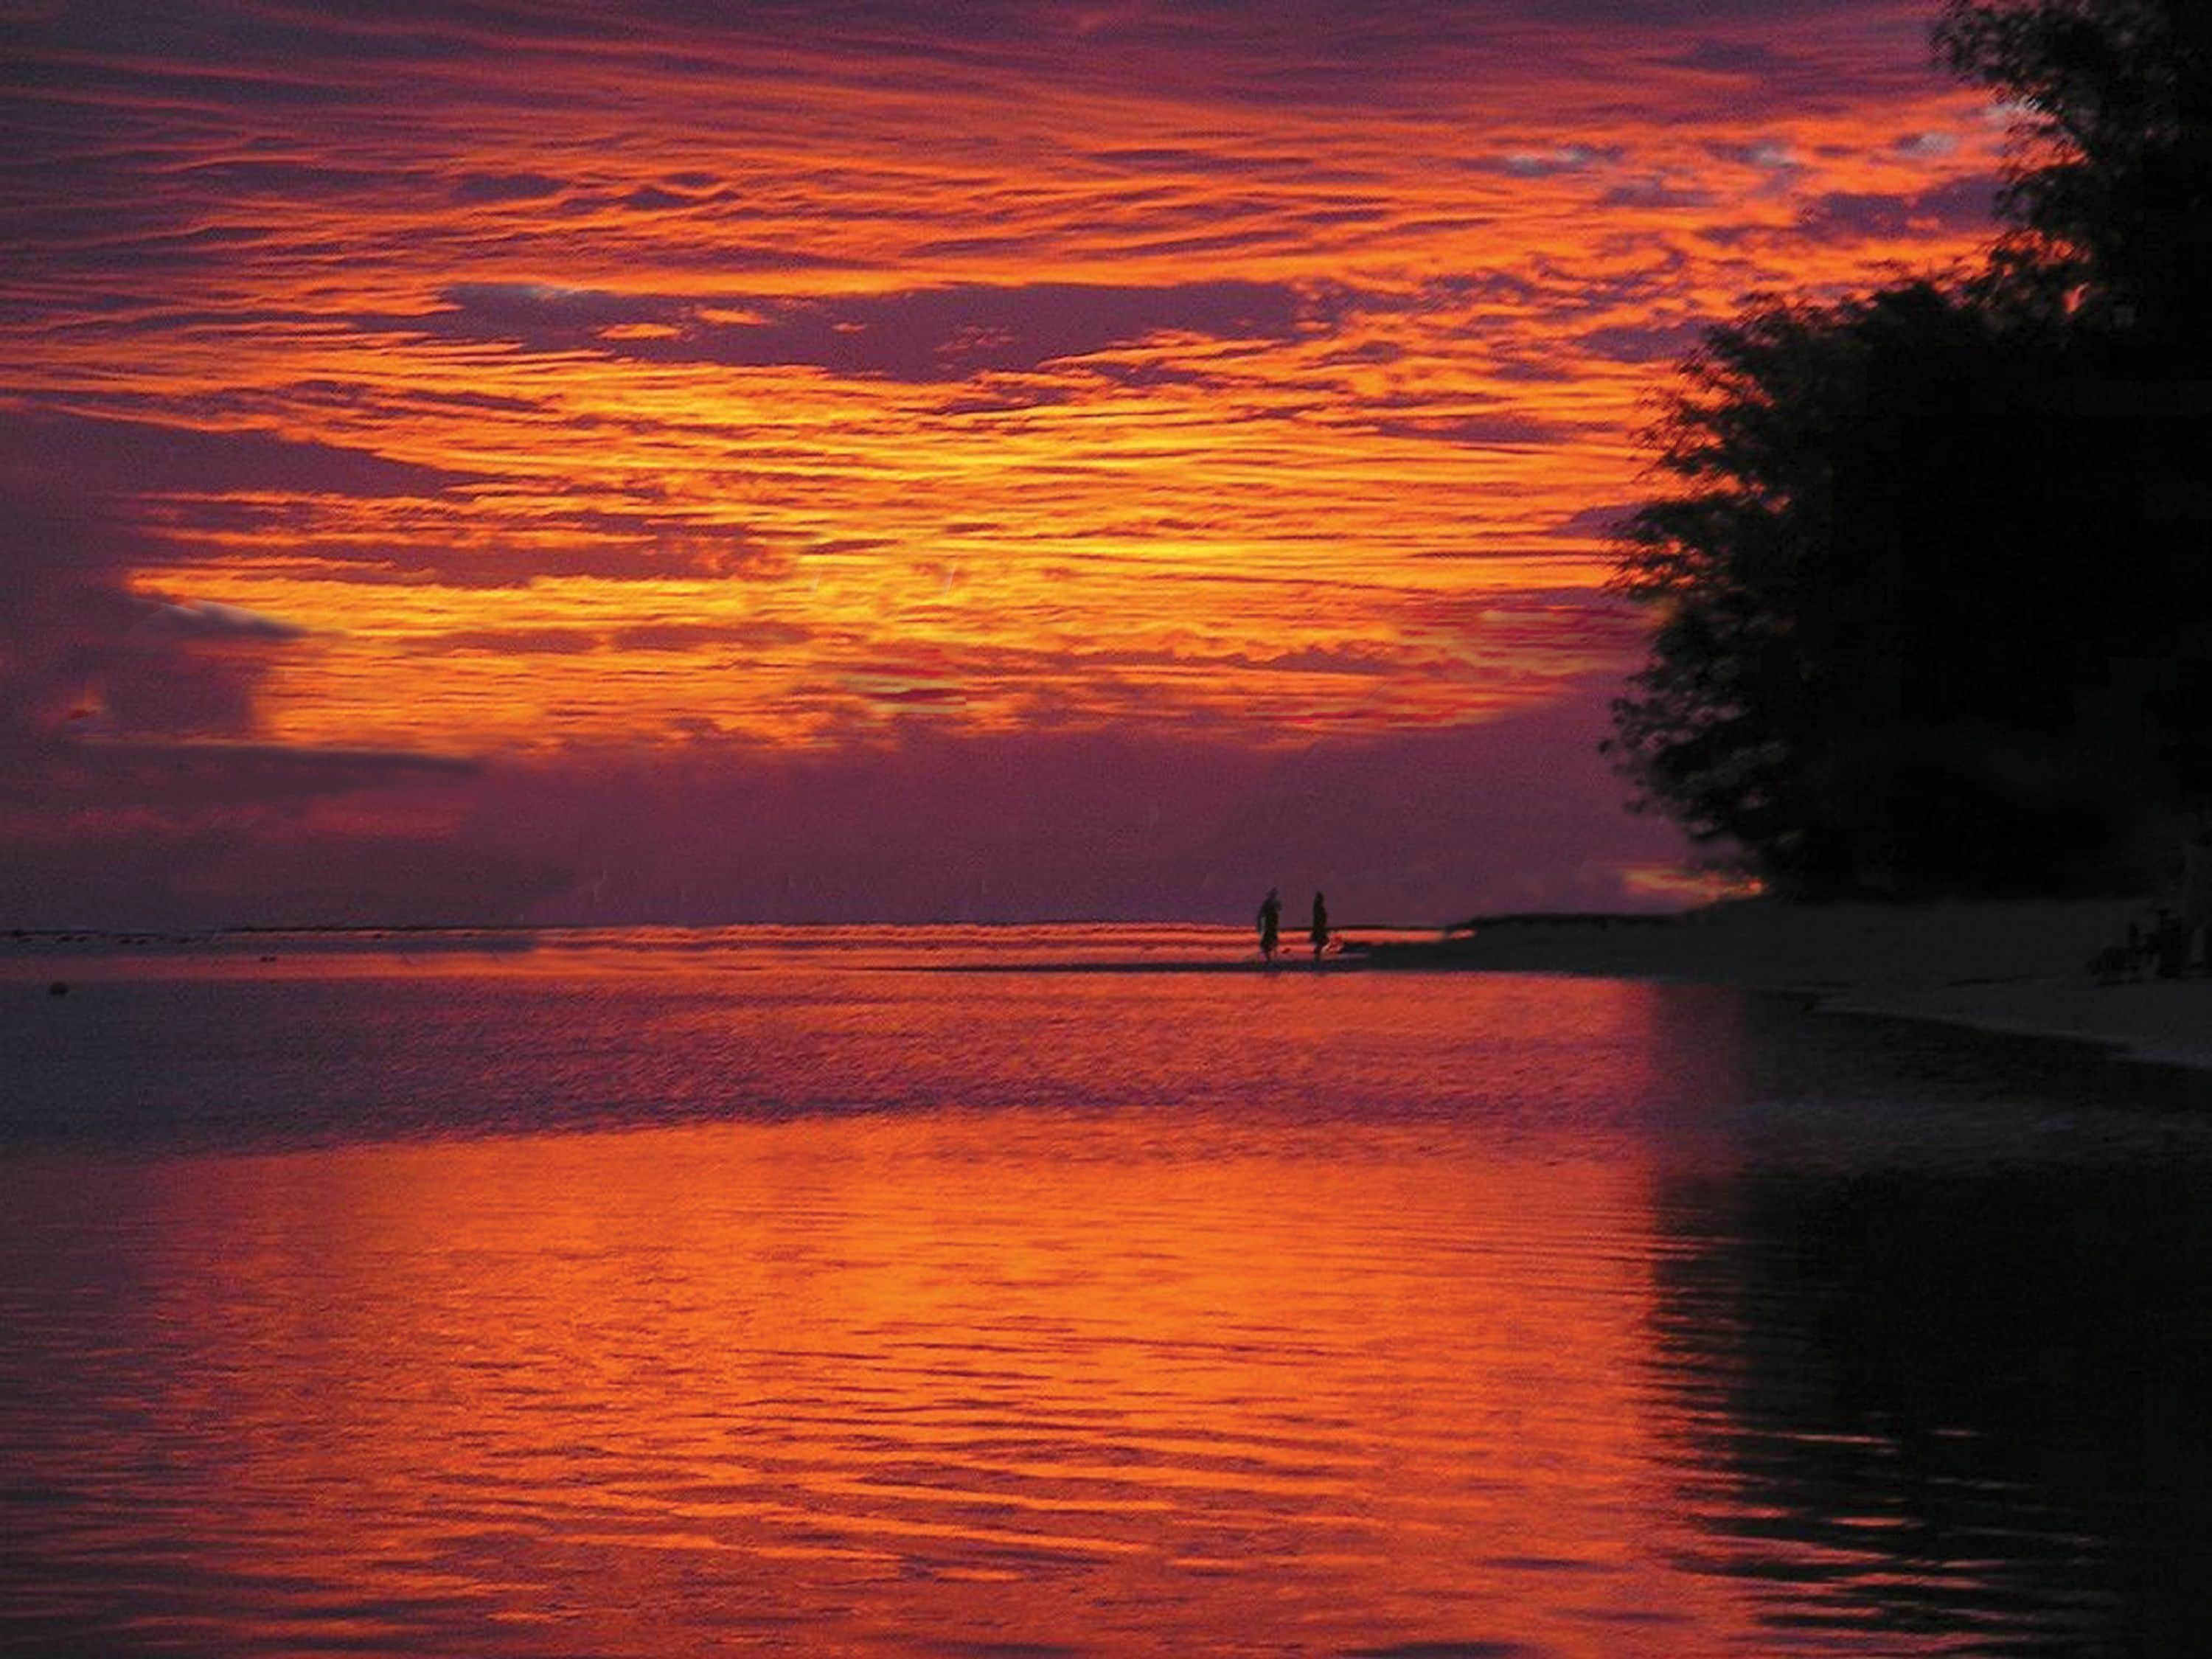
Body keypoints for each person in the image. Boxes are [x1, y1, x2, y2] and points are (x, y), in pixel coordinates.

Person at [1256, 888, 1281, 961]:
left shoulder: (1275, 903)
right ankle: (1269, 958)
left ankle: (1273, 957)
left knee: (1273, 941)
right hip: (1269, 925)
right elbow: (1261, 915)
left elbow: (1279, 909)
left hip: (1273, 926)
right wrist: (1260, 926)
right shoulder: (1268, 904)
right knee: (1268, 942)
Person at [1310, 891, 1329, 961]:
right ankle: (1317, 952)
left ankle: (1317, 952)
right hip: (1319, 926)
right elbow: (1319, 917)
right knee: (1321, 940)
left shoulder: (1318, 906)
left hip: (1320, 926)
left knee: (1321, 940)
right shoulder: (1317, 906)